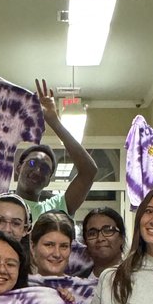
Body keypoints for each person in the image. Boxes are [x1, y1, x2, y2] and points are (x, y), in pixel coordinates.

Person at [12, 81, 97, 222]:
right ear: (19, 167)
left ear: (48, 181)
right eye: (32, 163)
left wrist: (54, 121)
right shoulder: (0, 205)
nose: (38, 171)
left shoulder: (55, 209)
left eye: (45, 168)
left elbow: (89, 171)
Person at [80, 207, 126, 276]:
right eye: (92, 233)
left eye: (108, 231)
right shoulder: (76, 283)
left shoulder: (137, 277)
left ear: (121, 237)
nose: (100, 238)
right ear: (85, 242)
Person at [28, 211, 75, 276]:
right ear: (33, 248)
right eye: (49, 245)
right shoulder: (19, 285)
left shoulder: (83, 285)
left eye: (64, 246)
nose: (57, 254)